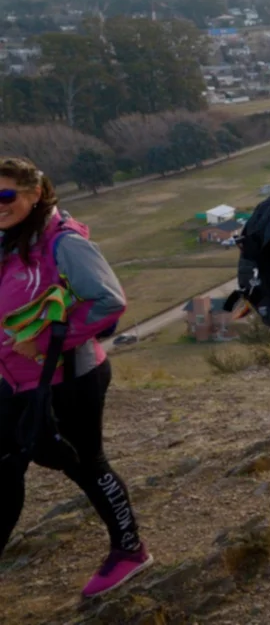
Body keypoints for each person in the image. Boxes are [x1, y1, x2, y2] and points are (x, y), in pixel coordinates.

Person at [0, 157, 150, 598]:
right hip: (13, 380)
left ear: (35, 193)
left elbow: (109, 301)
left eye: (6, 195)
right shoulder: (8, 240)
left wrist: (46, 341)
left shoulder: (63, 243)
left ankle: (130, 551)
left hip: (69, 378)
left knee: (85, 464)